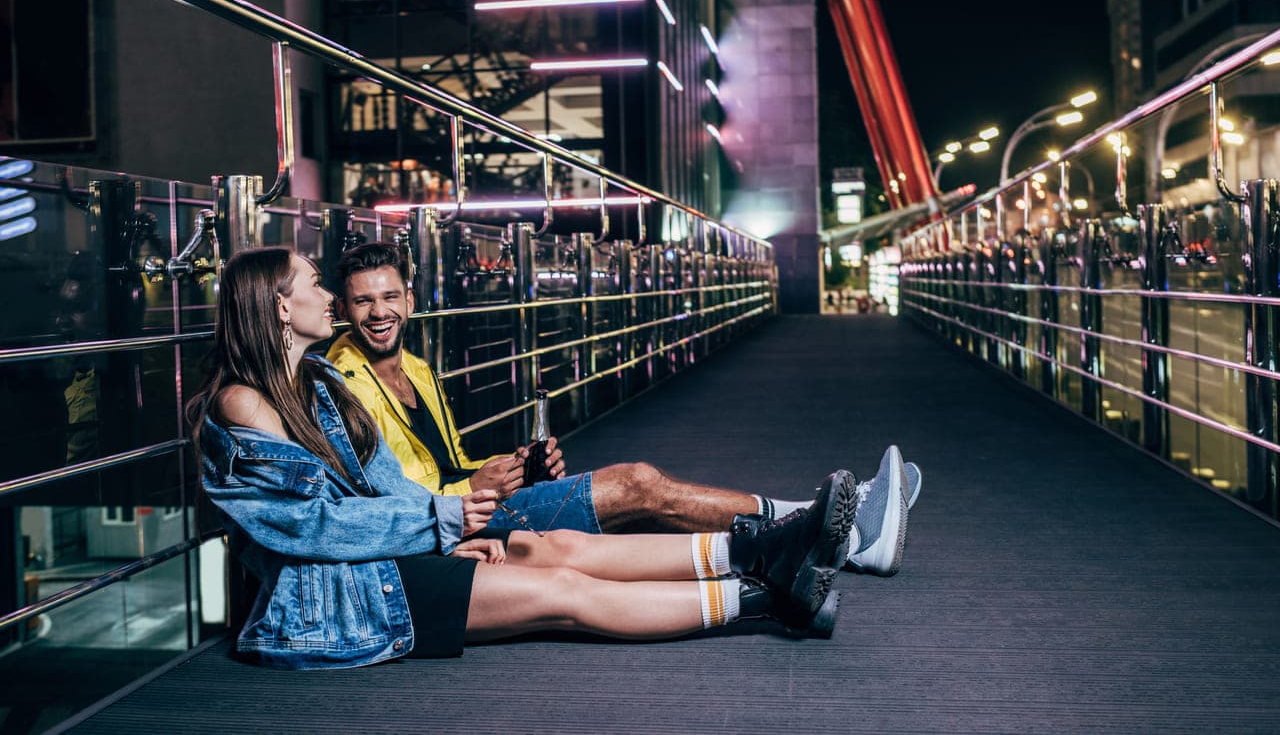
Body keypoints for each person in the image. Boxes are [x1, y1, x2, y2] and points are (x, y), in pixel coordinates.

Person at [189, 247, 857, 669]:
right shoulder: (245, 406)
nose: (332, 298)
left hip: (386, 557)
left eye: (384, 295)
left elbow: (381, 485)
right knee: (562, 590)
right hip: (335, 601)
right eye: (316, 282)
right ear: (280, 307)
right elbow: (309, 530)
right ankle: (769, 597)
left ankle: (760, 550)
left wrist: (441, 534)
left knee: (555, 545)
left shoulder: (320, 384)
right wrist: (441, 523)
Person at [327, 242, 921, 576]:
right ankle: (835, 524)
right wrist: (471, 491)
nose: (379, 312)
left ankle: (837, 531)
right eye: (363, 301)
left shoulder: (421, 370)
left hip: (477, 502)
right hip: (448, 525)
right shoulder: (339, 379)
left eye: (389, 296)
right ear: (344, 310)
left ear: (410, 298)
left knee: (644, 503)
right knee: (638, 484)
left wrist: (513, 467)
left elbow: (449, 462)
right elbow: (374, 494)